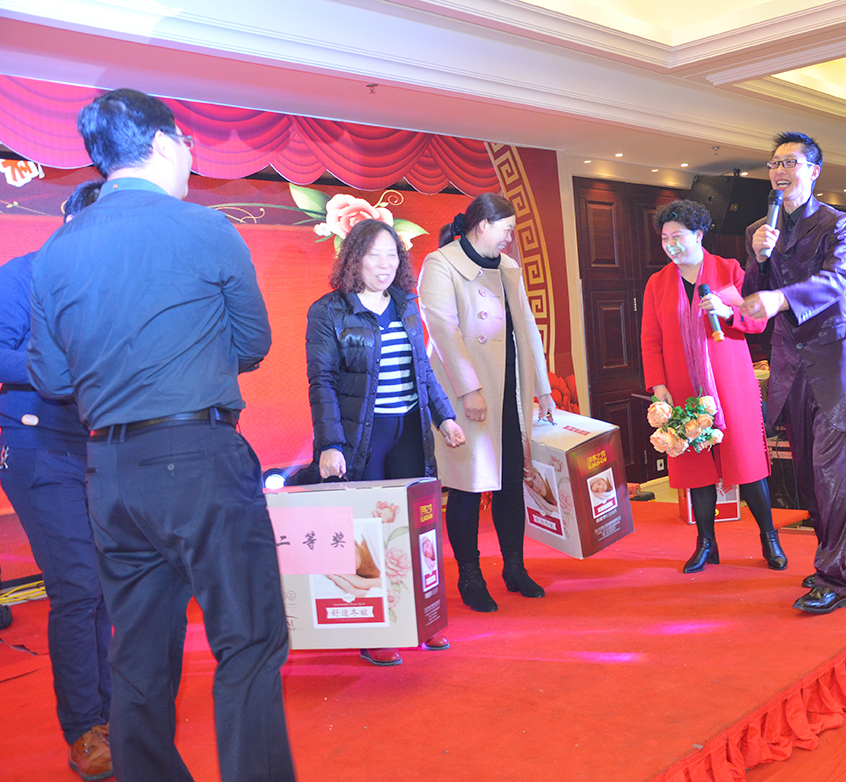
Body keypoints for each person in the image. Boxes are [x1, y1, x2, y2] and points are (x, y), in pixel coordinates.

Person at [27, 88, 295, 781]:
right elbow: (253, 343)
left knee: (139, 653)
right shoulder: (205, 228)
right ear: (163, 143)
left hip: (109, 471)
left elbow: (51, 376)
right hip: (199, 458)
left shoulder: (55, 251)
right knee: (249, 639)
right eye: (187, 143)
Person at [0, 180, 115, 782]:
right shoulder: (22, 275)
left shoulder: (112, 286)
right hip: (39, 450)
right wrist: (64, 370)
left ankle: (110, 713)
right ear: (70, 222)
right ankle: (85, 728)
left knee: (107, 585)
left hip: (104, 449)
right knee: (79, 585)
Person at [306, 218, 465, 666]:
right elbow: (321, 381)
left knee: (414, 527)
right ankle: (374, 629)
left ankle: (420, 618)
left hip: (409, 430)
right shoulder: (328, 311)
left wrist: (445, 417)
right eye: (374, 255)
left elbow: (423, 369)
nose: (384, 264)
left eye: (392, 255)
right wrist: (330, 444)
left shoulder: (406, 304)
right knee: (368, 533)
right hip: (363, 435)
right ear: (354, 260)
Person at [740, 131, 846, 615]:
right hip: (789, 366)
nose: (779, 171)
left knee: (832, 476)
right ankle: (836, 560)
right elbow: (750, 293)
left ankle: (833, 579)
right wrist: (758, 258)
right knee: (810, 479)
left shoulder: (838, 222)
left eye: (789, 162)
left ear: (813, 171)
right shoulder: (761, 229)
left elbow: (836, 283)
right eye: (774, 163)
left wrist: (781, 297)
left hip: (834, 363)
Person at [418, 193, 555, 613]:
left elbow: (527, 327)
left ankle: (515, 566)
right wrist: (468, 389)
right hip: (468, 390)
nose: (510, 238)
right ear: (483, 226)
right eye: (506, 229)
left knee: (511, 481)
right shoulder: (441, 263)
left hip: (510, 386)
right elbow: (443, 330)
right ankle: (470, 575)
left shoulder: (508, 267)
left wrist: (543, 388)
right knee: (468, 484)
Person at [640, 199, 787, 573]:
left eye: (678, 236)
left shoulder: (729, 270)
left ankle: (769, 538)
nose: (671, 245)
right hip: (682, 386)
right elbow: (651, 339)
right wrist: (658, 384)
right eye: (665, 238)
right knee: (697, 466)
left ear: (699, 234)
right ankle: (706, 543)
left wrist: (727, 312)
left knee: (746, 461)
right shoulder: (657, 283)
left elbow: (757, 321)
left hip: (731, 384)